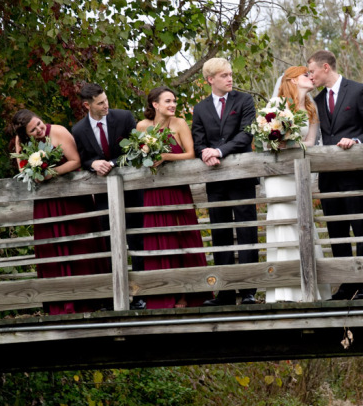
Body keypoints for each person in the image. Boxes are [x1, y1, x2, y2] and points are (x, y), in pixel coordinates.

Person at [11, 109, 108, 315]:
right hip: (46, 204)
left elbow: (76, 161)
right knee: (51, 249)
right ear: (24, 134)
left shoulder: (58, 131)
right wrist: (35, 172)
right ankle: (58, 303)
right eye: (33, 129)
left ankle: (90, 298)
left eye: (39, 123)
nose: (39, 129)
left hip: (72, 198)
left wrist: (49, 174)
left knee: (80, 246)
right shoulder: (20, 143)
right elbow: (22, 170)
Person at [308, 49, 363, 301]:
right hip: (329, 175)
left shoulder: (358, 90)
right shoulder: (316, 100)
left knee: (361, 228)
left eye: (312, 71)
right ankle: (346, 285)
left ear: (326, 67)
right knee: (336, 230)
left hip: (355, 172)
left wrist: (358, 140)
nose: (310, 75)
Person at [191, 57, 259, 305]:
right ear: (210, 79)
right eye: (224, 75)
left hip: (241, 177)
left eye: (230, 74)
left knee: (246, 232)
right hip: (216, 181)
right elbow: (198, 142)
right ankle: (226, 292)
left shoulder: (244, 100)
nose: (230, 78)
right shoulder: (200, 109)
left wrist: (218, 151)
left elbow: (246, 133)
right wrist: (204, 153)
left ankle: (249, 290)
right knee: (220, 235)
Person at [70, 82, 145, 308]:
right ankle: (115, 297)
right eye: (100, 103)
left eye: (106, 101)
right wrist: (93, 163)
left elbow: (134, 149)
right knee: (110, 244)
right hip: (103, 197)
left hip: (132, 191)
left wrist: (110, 163)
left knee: (137, 242)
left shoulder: (123, 118)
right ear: (87, 105)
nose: (106, 106)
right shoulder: (78, 130)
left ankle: (141, 296)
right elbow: (82, 158)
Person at [262, 66, 332, 303]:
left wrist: (293, 143)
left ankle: (309, 289)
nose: (311, 78)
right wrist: (277, 141)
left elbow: (311, 142)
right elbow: (266, 143)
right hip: (279, 176)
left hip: (298, 175)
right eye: (305, 75)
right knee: (283, 223)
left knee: (303, 224)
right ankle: (283, 291)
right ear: (291, 80)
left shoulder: (311, 109)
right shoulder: (275, 107)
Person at [135, 87, 207, 308]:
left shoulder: (180, 124)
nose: (172, 104)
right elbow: (139, 154)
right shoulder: (142, 127)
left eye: (174, 101)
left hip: (177, 190)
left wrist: (165, 155)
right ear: (155, 105)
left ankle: (187, 295)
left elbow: (191, 154)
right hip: (154, 191)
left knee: (182, 237)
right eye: (167, 101)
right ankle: (162, 294)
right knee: (157, 239)